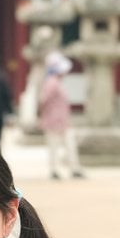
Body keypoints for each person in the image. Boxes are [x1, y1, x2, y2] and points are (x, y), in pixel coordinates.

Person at [39, 50, 85, 179]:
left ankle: (74, 168)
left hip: (62, 120)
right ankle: (55, 170)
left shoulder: (55, 82)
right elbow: (43, 100)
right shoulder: (52, 82)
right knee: (55, 145)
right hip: (53, 120)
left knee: (68, 144)